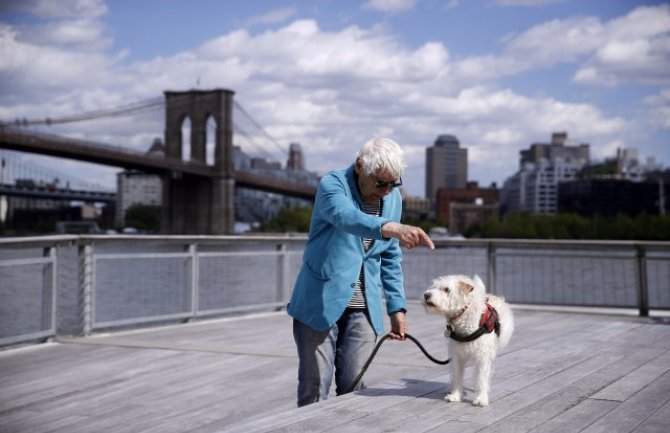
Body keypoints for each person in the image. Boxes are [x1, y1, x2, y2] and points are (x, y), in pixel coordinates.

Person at [287, 137, 435, 407]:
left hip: (364, 308)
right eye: (381, 183)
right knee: (314, 391)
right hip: (319, 302)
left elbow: (390, 256)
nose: (388, 190)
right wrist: (394, 228)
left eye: (394, 183)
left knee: (355, 393)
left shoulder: (392, 201)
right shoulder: (332, 185)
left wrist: (397, 308)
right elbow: (345, 217)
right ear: (359, 166)